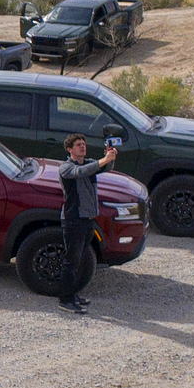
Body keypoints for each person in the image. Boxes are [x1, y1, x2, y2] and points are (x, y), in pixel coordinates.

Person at [55, 132, 119, 313]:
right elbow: (81, 172)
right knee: (71, 261)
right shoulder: (66, 167)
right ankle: (65, 300)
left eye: (83, 144)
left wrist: (110, 158)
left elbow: (105, 168)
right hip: (73, 220)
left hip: (88, 219)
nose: (82, 146)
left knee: (80, 260)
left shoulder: (90, 163)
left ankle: (73, 295)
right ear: (69, 149)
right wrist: (103, 160)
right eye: (78, 145)